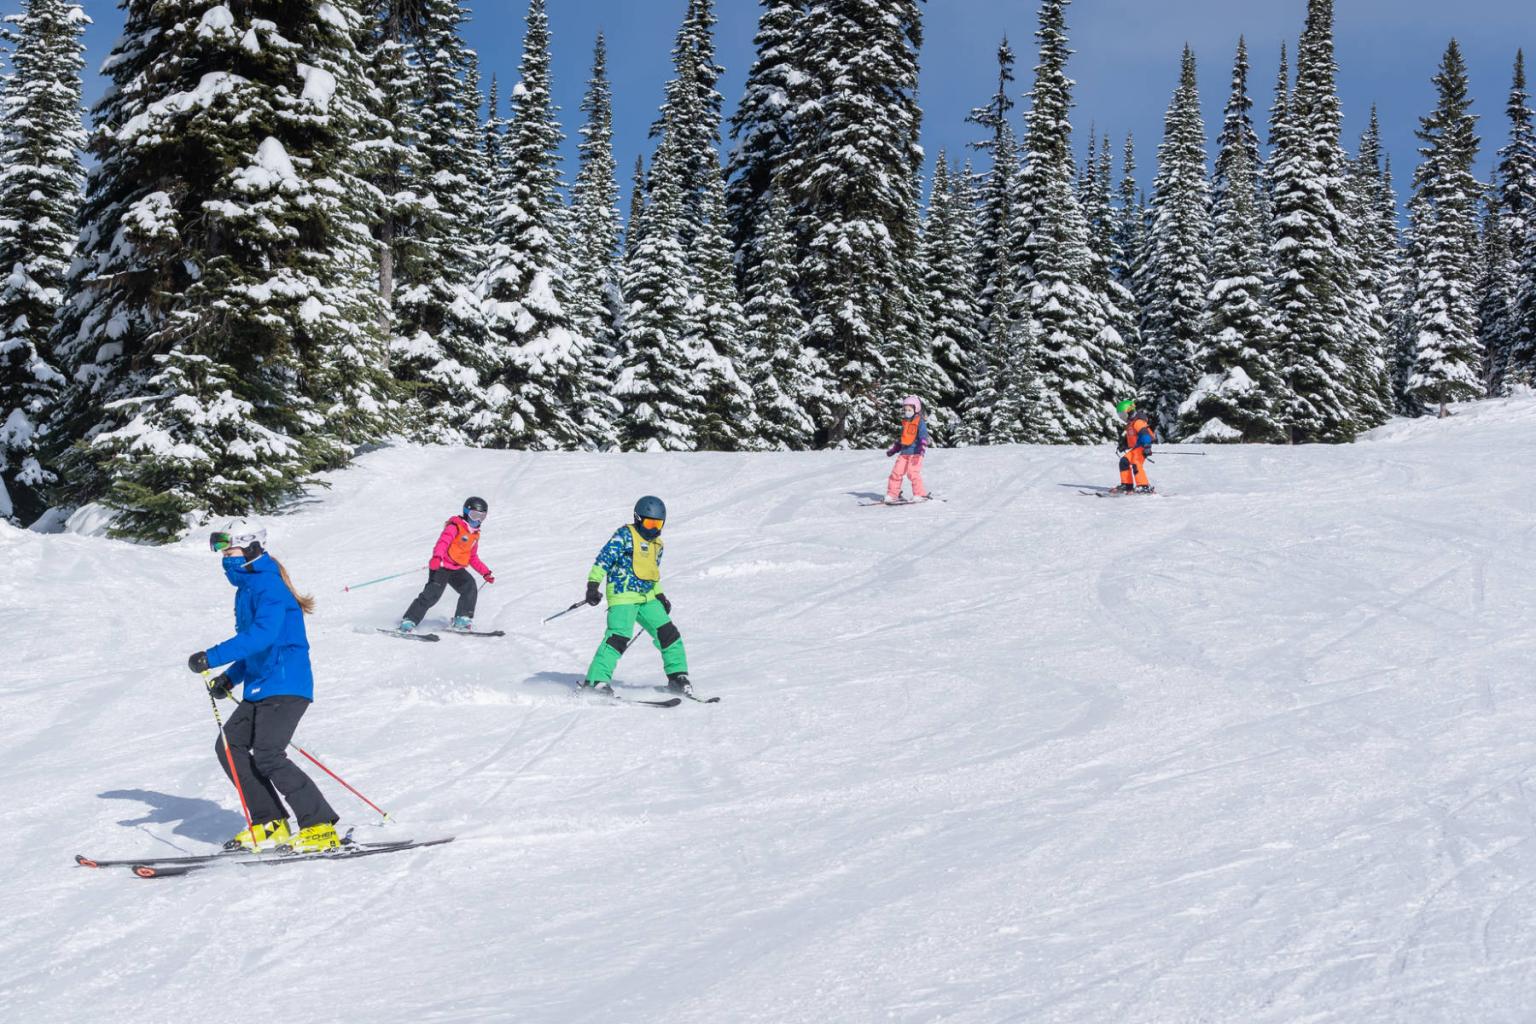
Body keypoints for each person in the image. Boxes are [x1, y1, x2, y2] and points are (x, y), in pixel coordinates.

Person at [188, 521, 341, 853]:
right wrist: (231, 676)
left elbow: (262, 636)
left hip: (286, 685)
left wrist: (212, 657)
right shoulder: (248, 589)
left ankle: (319, 826)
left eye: (229, 550)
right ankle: (269, 822)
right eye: (220, 551)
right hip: (261, 686)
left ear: (252, 548)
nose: (224, 558)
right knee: (230, 746)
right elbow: (257, 647)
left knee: (269, 755)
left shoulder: (268, 586)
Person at [580, 496, 692, 696]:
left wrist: (660, 595)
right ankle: (596, 680)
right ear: (638, 519)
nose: (653, 529)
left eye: (658, 524)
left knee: (669, 634)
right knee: (618, 637)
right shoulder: (625, 535)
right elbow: (603, 560)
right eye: (649, 523)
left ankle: (677, 677)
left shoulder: (658, 544)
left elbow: (652, 573)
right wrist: (592, 585)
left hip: (647, 597)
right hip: (623, 595)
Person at [399, 496, 495, 633]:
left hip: (456, 569)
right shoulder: (455, 527)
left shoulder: (474, 535)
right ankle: (409, 621)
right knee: (432, 595)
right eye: (475, 515)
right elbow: (442, 543)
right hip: (441, 566)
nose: (477, 520)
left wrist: (485, 572)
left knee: (470, 587)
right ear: (467, 513)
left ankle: (462, 619)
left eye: (482, 517)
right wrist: (437, 557)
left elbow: (472, 557)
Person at [884, 395, 931, 504]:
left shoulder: (919, 421)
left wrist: (921, 449)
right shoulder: (905, 422)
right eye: (905, 410)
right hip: (904, 453)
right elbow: (903, 438)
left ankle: (920, 494)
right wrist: (894, 449)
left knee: (912, 473)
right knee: (896, 473)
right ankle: (892, 495)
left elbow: (923, 436)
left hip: (916, 453)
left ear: (916, 409)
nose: (907, 412)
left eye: (909, 410)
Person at [1115, 399, 1155, 494]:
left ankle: (1144, 486)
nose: (1122, 417)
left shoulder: (1138, 422)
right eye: (1120, 415)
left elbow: (1144, 434)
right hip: (1136, 448)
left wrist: (1147, 446)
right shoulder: (1131, 423)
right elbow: (1132, 437)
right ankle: (1127, 485)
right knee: (1124, 461)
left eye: (1123, 414)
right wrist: (1124, 445)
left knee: (1136, 462)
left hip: (1142, 447)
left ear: (1130, 411)